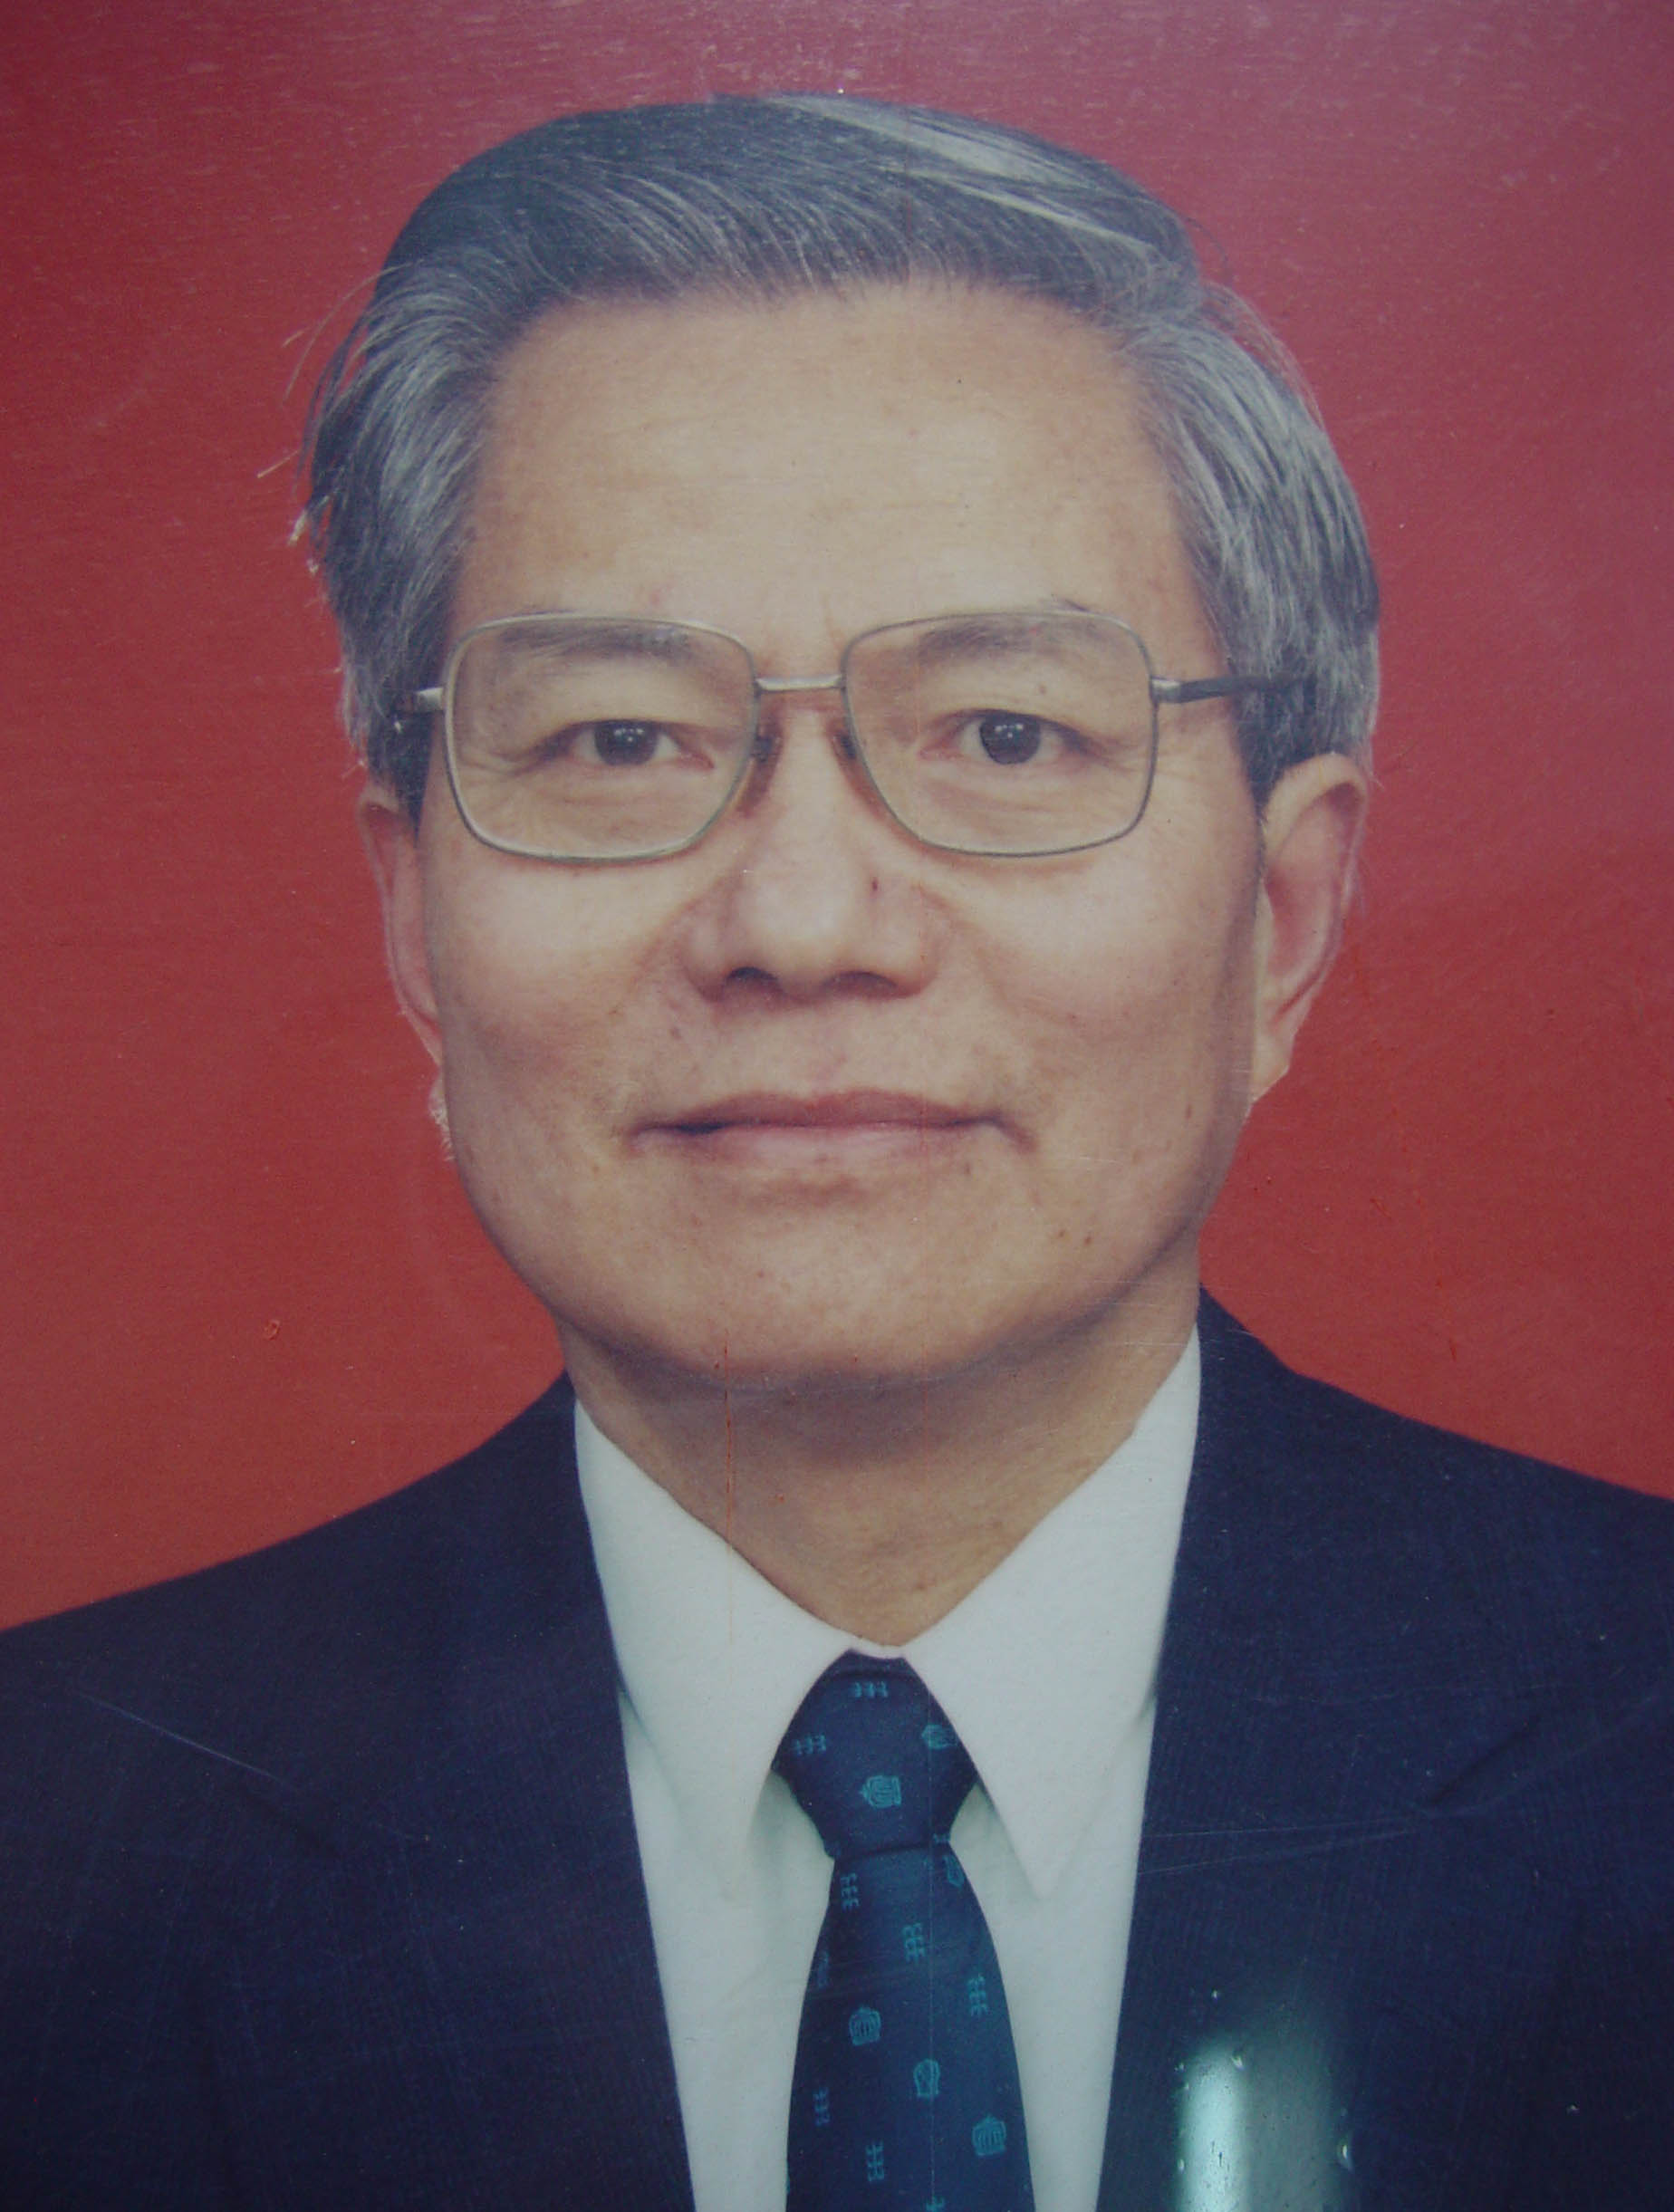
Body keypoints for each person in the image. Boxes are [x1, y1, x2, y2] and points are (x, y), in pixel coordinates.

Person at [0, 95, 1669, 2212]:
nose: (799, 922)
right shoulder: (52, 1835)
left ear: (1283, 916)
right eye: (621, 741)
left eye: (1005, 734)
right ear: (416, 921)